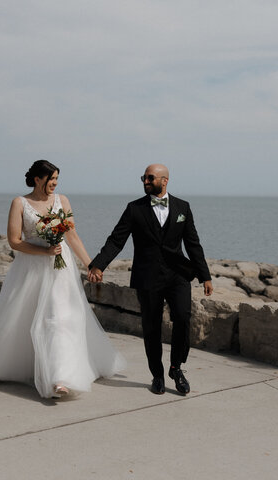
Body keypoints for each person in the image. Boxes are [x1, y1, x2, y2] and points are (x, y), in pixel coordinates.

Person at [0, 160, 126, 399]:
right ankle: (23, 366)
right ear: (37, 179)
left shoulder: (62, 201)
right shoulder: (19, 203)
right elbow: (14, 241)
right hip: (30, 268)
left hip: (60, 268)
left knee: (59, 318)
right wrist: (44, 251)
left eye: (57, 179)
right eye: (51, 179)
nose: (55, 184)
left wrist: (91, 265)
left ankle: (60, 377)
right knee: (24, 318)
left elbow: (72, 236)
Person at [88, 164, 213, 395]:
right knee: (151, 327)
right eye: (143, 178)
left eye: (150, 178)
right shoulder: (134, 209)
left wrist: (205, 276)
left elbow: (193, 243)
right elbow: (117, 240)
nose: (145, 181)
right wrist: (98, 264)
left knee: (183, 318)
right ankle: (157, 374)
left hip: (178, 275)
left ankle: (176, 368)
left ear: (164, 181)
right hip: (148, 276)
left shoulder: (182, 207)